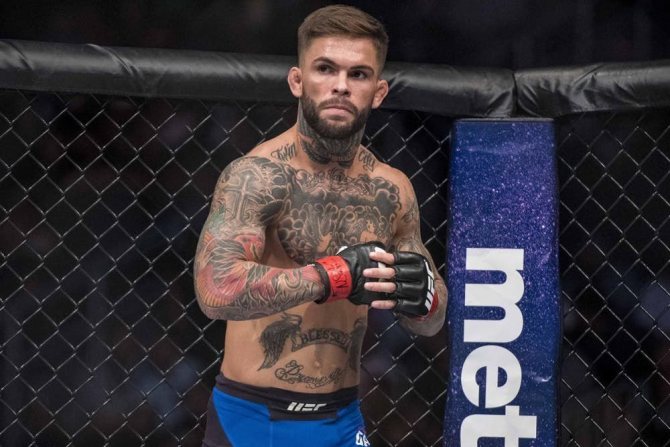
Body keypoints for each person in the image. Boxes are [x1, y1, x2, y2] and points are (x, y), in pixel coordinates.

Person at [194, 5, 447, 446]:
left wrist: (424, 299)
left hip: (343, 418)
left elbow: (431, 321)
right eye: (326, 69)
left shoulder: (393, 189)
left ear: (379, 92)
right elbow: (215, 289)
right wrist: (331, 276)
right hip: (257, 419)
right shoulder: (257, 176)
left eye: (358, 74)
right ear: (298, 81)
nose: (340, 86)